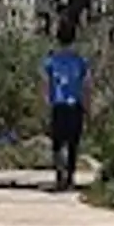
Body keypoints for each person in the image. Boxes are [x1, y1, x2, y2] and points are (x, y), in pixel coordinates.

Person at [43, 39, 90, 191]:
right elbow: (86, 85)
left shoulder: (51, 61)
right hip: (75, 105)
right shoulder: (80, 61)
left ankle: (59, 175)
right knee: (73, 144)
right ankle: (70, 177)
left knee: (57, 143)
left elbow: (45, 83)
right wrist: (87, 105)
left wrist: (47, 100)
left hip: (58, 105)